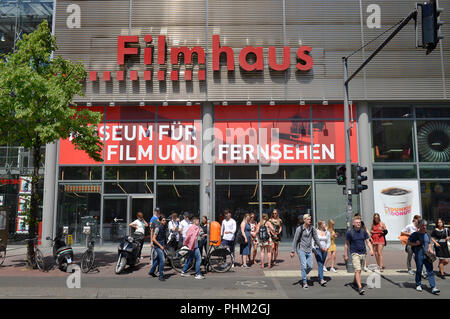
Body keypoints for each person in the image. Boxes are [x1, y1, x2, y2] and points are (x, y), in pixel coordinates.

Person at [290, 214, 324, 289]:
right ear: (304, 220)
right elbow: (295, 240)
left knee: (310, 266)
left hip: (309, 250)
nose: (310, 220)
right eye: (308, 219)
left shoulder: (312, 228)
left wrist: (321, 247)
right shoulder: (299, 229)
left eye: (310, 219)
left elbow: (316, 239)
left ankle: (303, 274)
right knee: (304, 265)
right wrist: (292, 251)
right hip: (301, 249)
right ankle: (304, 282)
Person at [407, 219, 440, 295]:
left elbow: (428, 243)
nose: (424, 227)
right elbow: (408, 242)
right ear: (419, 226)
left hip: (427, 255)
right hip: (419, 255)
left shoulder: (427, 234)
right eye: (423, 225)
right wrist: (415, 243)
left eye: (425, 225)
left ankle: (433, 287)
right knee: (419, 270)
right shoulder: (414, 234)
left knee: (430, 270)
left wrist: (430, 249)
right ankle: (418, 284)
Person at [344, 216, 374, 295]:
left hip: (363, 253)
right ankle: (360, 287)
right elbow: (346, 244)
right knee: (358, 270)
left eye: (359, 222)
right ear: (353, 224)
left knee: (359, 269)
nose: (358, 224)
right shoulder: (350, 232)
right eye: (357, 222)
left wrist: (371, 249)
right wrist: (346, 255)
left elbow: (367, 241)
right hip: (354, 253)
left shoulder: (363, 231)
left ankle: (354, 281)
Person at [148, 215, 167, 281]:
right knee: (162, 260)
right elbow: (154, 239)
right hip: (157, 246)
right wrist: (160, 246)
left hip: (161, 245)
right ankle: (160, 275)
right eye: (163, 220)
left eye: (165, 220)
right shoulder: (157, 228)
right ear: (160, 221)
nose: (165, 222)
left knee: (158, 260)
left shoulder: (164, 227)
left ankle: (151, 272)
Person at [314, 220, 331, 286]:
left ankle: (319, 275)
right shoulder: (315, 231)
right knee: (320, 263)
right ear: (320, 225)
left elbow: (329, 241)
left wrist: (327, 248)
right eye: (323, 223)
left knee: (322, 263)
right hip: (318, 248)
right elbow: (313, 240)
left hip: (325, 249)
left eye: (325, 223)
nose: (325, 224)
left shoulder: (327, 232)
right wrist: (313, 249)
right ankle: (321, 279)